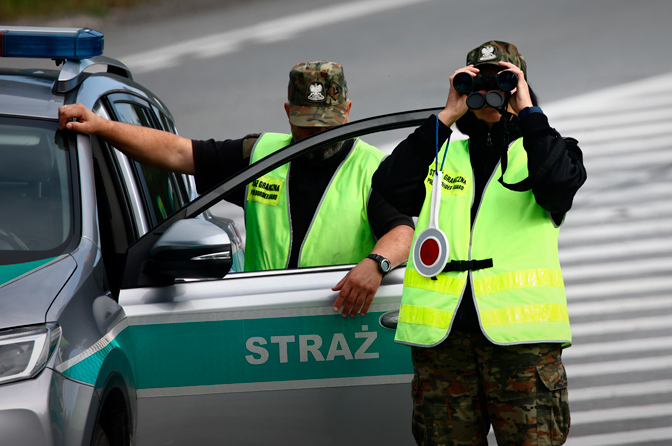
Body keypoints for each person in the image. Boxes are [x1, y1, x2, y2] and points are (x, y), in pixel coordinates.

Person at [58, 60, 414, 318]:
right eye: (307, 126)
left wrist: (376, 263)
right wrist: (103, 128)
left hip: (338, 321)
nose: (318, 135)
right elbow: (179, 152)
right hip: (262, 316)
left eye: (328, 125)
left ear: (347, 112)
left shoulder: (374, 169)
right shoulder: (258, 154)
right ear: (289, 112)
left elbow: (401, 232)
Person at [372, 41, 587, 445]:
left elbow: (560, 186)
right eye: (479, 83)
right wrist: (447, 115)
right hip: (445, 344)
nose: (491, 93)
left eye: (503, 82)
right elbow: (389, 187)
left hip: (522, 345)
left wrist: (526, 110)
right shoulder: (442, 157)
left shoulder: (547, 152)